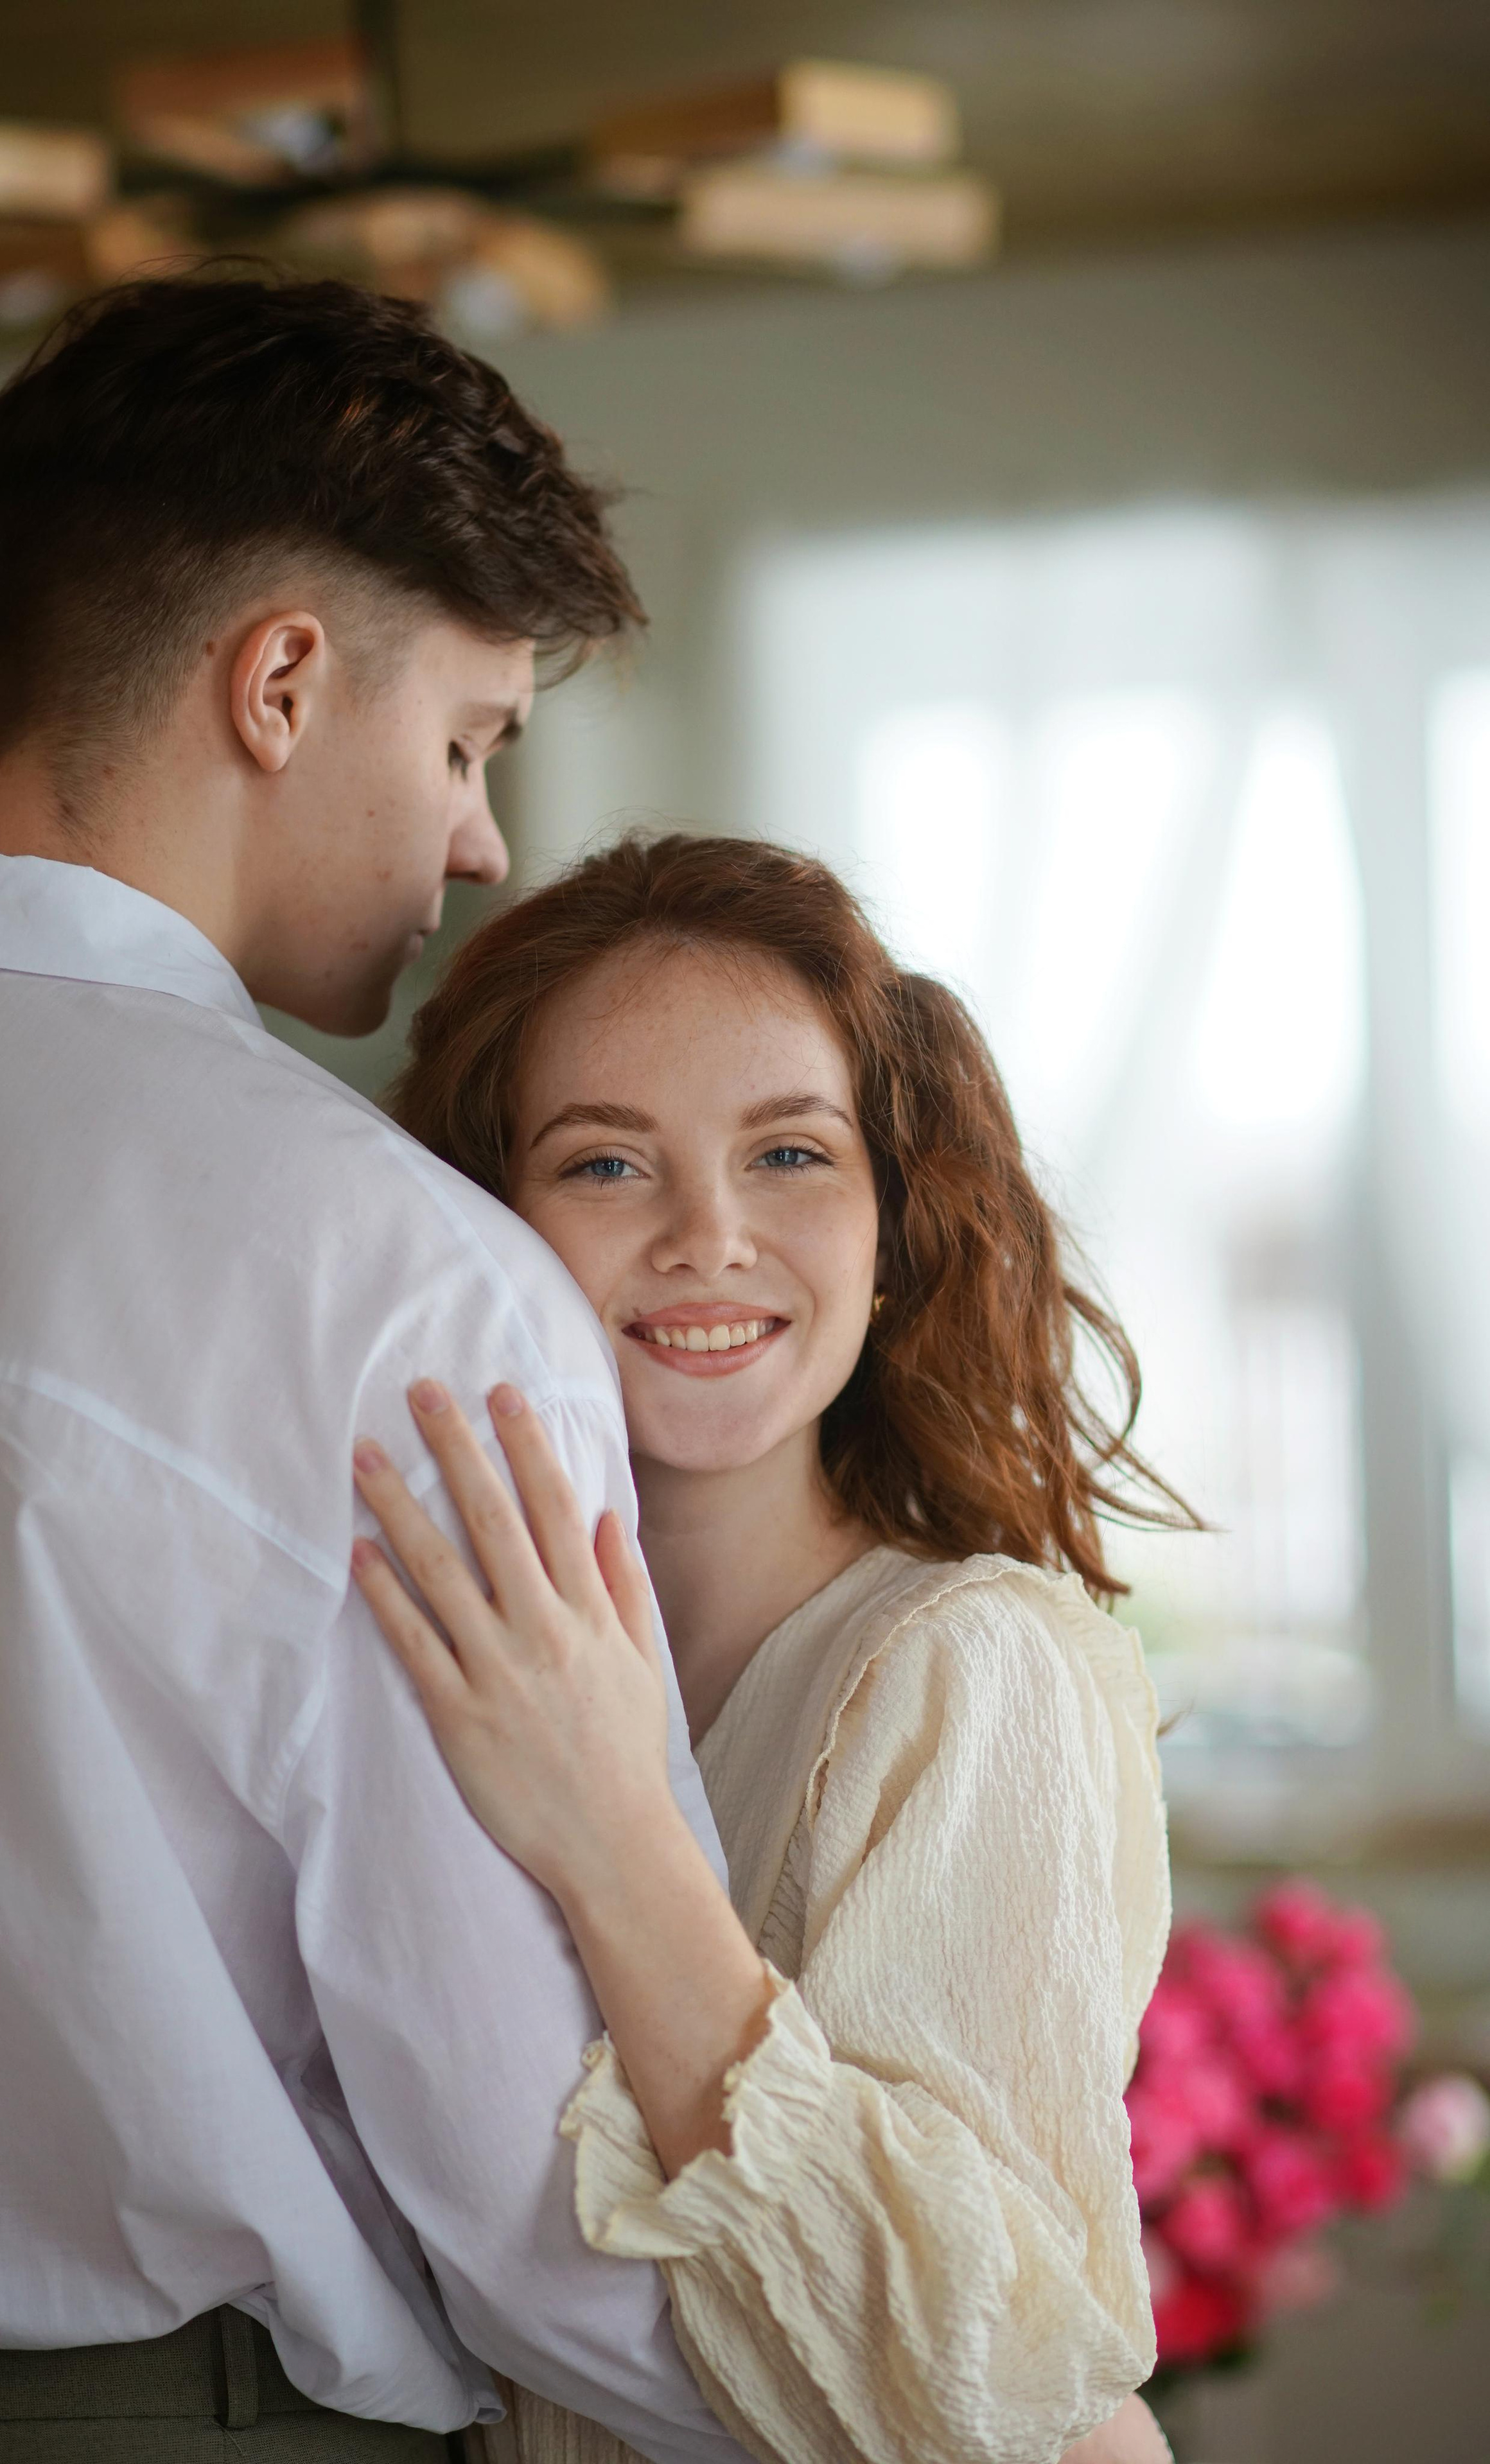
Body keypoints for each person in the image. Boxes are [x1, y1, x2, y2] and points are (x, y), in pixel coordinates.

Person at [0, 279, 753, 2464]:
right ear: (279, 680)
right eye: (463, 741)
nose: (478, 844)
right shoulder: (403, 1280)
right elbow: (529, 2166)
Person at [348, 832, 1189, 2464]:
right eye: (604, 1164)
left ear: (889, 1221)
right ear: (482, 1224)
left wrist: (612, 1839)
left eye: (789, 1153)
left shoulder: (969, 1668)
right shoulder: (442, 1649)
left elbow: (959, 2388)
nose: (705, 1235)